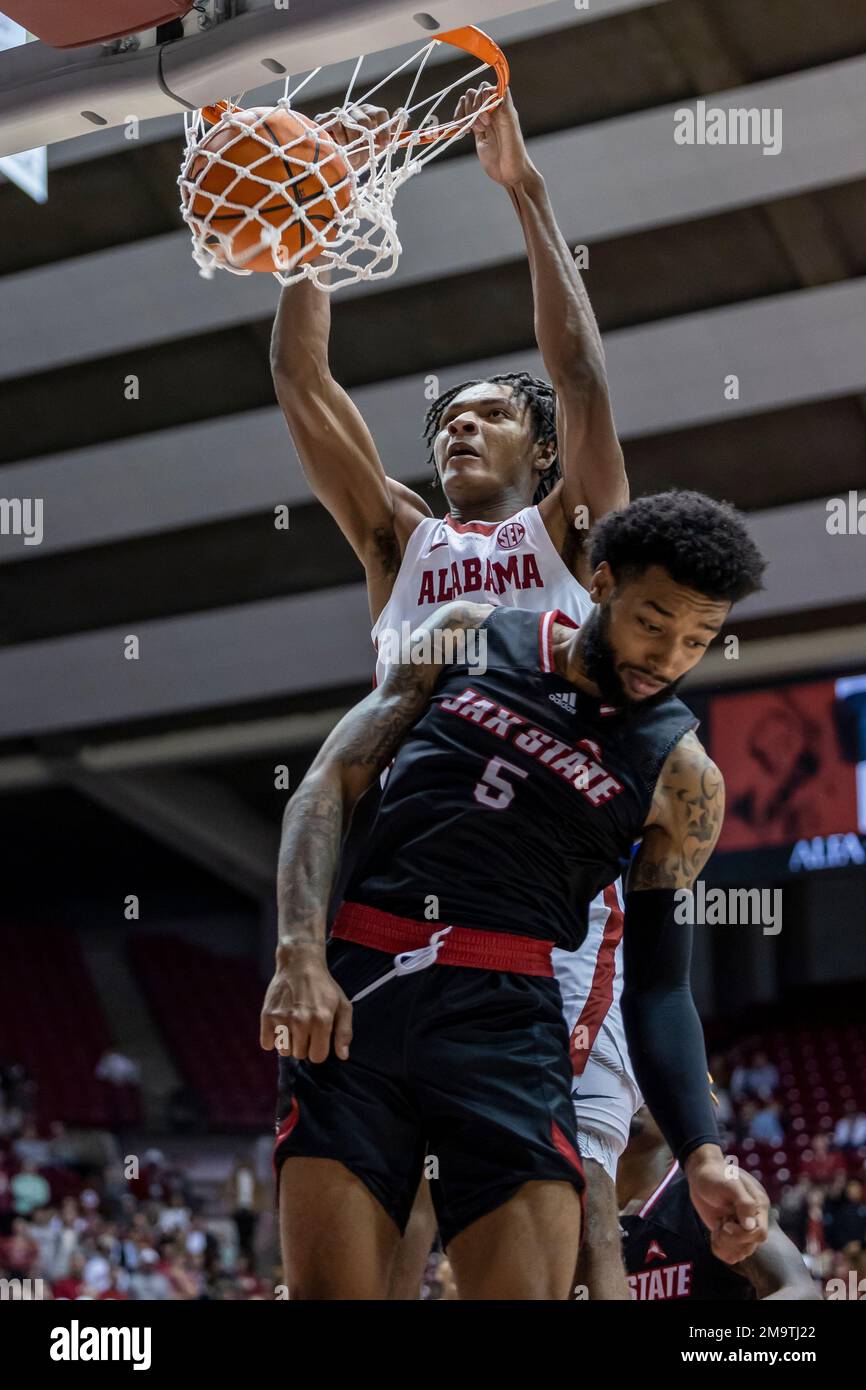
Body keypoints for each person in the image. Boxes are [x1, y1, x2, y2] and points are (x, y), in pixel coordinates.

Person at [271, 79, 638, 1299]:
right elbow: (300, 378)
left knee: (573, 1218)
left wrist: (524, 195)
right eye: (446, 421)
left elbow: (580, 375)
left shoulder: (569, 538)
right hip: (398, 876)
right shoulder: (401, 542)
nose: (458, 429)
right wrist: (309, 226)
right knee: (381, 1209)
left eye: (486, 415)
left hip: (541, 903)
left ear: (536, 452)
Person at [261, 490, 770, 1299]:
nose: (668, 654)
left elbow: (663, 986)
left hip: (507, 1018)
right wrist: (298, 952)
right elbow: (329, 783)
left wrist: (702, 1150)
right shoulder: (469, 631)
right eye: (654, 621)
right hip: (362, 996)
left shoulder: (683, 776)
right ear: (600, 582)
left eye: (698, 640)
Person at [618, 1107, 818, 1301]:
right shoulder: (593, 1210)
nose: (634, 1096)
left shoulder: (716, 1192)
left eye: (643, 1086)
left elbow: (803, 1293)